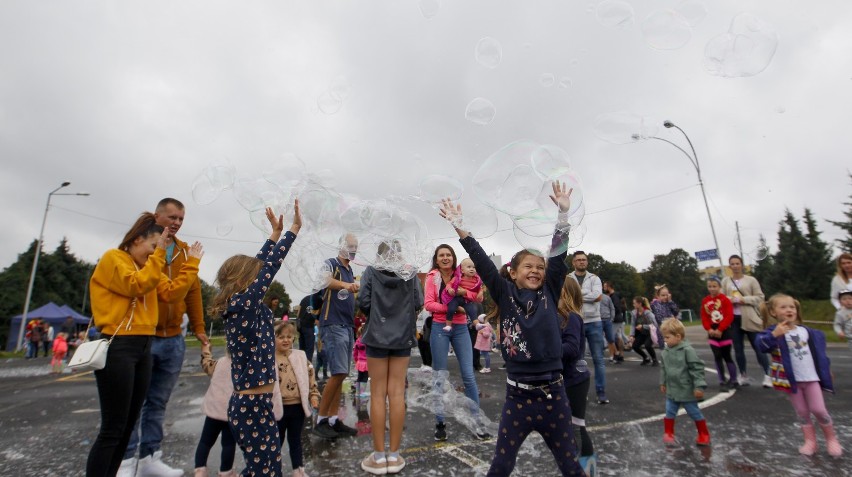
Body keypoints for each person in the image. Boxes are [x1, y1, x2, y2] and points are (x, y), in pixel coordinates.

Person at [440, 183, 586, 476]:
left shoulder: (551, 290)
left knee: (571, 466)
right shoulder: (504, 293)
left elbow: (558, 255)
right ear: (514, 272)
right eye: (528, 266)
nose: (535, 271)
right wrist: (460, 227)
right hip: (517, 399)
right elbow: (481, 261)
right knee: (501, 467)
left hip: (554, 397)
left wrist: (562, 214)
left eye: (539, 267)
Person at [87, 213, 203, 477]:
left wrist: (192, 264)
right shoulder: (114, 259)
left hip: (143, 346)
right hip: (119, 347)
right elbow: (136, 286)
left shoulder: (148, 267)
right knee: (112, 428)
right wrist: (161, 254)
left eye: (157, 248)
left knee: (127, 425)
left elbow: (172, 293)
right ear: (136, 239)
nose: (155, 252)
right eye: (152, 246)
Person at [208, 203, 301, 477]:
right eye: (254, 275)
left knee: (269, 467)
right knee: (266, 471)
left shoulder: (243, 303)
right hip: (251, 406)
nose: (260, 277)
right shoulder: (242, 304)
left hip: (257, 404)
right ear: (243, 281)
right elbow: (268, 267)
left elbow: (260, 264)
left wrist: (275, 233)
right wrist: (293, 230)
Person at [121, 198, 209, 477]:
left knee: (157, 402)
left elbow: (192, 291)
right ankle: (125, 461)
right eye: (172, 216)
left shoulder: (184, 251)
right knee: (133, 401)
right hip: (144, 335)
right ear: (157, 215)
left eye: (181, 218)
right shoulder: (142, 248)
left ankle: (149, 457)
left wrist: (199, 327)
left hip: (173, 338)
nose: (177, 222)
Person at [357, 240, 423, 475]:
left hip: (376, 335)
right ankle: (394, 456)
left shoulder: (371, 272)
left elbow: (363, 301)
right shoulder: (410, 272)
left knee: (377, 393)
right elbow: (418, 302)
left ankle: (378, 457)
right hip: (402, 337)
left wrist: (377, 314)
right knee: (396, 393)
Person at [756, 294, 843, 458]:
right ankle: (810, 441)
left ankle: (832, 439)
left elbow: (820, 354)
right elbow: (761, 346)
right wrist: (775, 334)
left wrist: (827, 369)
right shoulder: (771, 333)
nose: (789, 310)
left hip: (811, 379)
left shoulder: (807, 332)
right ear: (773, 312)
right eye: (783, 307)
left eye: (792, 307)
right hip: (792, 382)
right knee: (802, 412)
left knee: (819, 410)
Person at [424, 243, 486, 441]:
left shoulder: (464, 274)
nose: (445, 258)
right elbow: (428, 305)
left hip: (460, 329)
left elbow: (477, 298)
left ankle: (476, 420)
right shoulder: (432, 277)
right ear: (436, 258)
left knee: (469, 375)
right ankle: (440, 422)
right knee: (440, 376)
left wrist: (462, 296)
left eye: (448, 255)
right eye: (441, 255)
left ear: (453, 258)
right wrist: (451, 308)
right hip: (439, 327)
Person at [195, 342, 282, 477]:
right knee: (228, 444)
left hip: (214, 408)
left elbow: (207, 365)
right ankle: (225, 471)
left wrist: (206, 351)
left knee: (205, 441)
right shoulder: (249, 368)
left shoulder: (221, 362)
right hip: (233, 412)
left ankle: (200, 469)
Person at [313, 233, 360, 440]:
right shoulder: (331, 263)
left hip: (347, 325)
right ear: (341, 245)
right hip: (333, 324)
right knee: (338, 372)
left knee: (341, 373)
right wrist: (345, 286)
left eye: (355, 246)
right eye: (350, 245)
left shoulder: (350, 270)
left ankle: (333, 420)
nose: (353, 249)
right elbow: (323, 281)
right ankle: (321, 420)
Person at [559, 276, 596, 474]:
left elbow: (572, 348)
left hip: (575, 380)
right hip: (569, 378)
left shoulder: (571, 317)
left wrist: (547, 349)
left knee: (577, 427)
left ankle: (588, 470)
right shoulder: (560, 316)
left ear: (565, 293)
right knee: (568, 428)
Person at [274, 321, 320, 477]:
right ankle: (273, 470)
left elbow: (310, 376)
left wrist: (313, 395)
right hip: (276, 409)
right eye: (280, 337)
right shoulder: (268, 358)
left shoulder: (300, 357)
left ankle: (298, 470)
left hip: (297, 408)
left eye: (289, 336)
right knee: (275, 443)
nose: (286, 340)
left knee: (295, 441)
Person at [721, 254, 770, 388]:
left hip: (750, 317)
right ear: (729, 266)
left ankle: (767, 374)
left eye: (737, 263)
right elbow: (721, 297)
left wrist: (743, 300)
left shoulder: (751, 280)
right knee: (738, 349)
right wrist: (728, 300)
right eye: (732, 264)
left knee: (758, 347)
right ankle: (743, 374)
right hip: (734, 319)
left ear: (741, 265)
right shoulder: (726, 281)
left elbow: (760, 297)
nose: (735, 266)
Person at [658, 318, 709, 446]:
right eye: (664, 337)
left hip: (686, 390)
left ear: (678, 336)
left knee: (694, 412)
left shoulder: (688, 350)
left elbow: (696, 369)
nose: (665, 340)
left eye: (667, 337)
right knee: (669, 412)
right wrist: (663, 382)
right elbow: (664, 368)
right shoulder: (665, 352)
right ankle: (668, 433)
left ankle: (703, 434)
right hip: (672, 390)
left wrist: (699, 387)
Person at [569, 251, 608, 405]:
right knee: (578, 359)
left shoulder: (595, 278)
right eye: (578, 260)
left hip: (594, 321)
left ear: (587, 262)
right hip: (576, 321)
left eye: (584, 260)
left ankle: (601, 391)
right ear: (573, 262)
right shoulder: (568, 278)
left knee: (598, 359)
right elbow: (566, 295)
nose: (582, 262)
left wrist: (577, 294)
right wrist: (587, 294)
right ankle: (580, 392)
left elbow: (598, 296)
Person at [701, 276, 738, 391]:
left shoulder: (724, 299)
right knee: (717, 356)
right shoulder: (705, 301)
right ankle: (721, 380)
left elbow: (729, 316)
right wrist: (709, 329)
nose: (712, 289)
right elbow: (704, 317)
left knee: (727, 356)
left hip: (725, 331)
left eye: (714, 286)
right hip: (712, 331)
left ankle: (734, 379)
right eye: (710, 286)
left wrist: (721, 329)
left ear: (720, 287)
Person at [441, 258, 484, 332]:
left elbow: (479, 289)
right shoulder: (457, 278)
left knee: (472, 309)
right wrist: (449, 289)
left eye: (473, 267)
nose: (472, 269)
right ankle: (448, 325)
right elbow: (449, 284)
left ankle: (477, 324)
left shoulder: (476, 280)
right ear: (462, 270)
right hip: (456, 298)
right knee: (451, 308)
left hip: (467, 300)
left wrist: (480, 293)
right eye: (469, 267)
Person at [628, 297, 657, 366]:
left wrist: (643, 326)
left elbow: (655, 324)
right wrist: (631, 335)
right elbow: (632, 325)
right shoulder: (634, 313)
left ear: (640, 304)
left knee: (647, 345)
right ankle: (646, 358)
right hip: (642, 333)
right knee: (635, 346)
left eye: (634, 303)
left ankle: (654, 359)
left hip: (650, 333)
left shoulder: (648, 313)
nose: (633, 305)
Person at [650, 285, 679, 350]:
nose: (665, 297)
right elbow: (659, 317)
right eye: (663, 295)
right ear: (658, 296)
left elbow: (676, 312)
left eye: (667, 295)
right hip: (662, 332)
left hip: (671, 330)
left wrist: (670, 301)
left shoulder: (670, 303)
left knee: (673, 349)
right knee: (665, 351)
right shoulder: (655, 304)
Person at [603, 281, 626, 363]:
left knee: (610, 337)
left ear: (609, 287)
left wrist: (610, 315)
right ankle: (620, 355)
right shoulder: (614, 295)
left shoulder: (613, 296)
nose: (604, 288)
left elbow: (616, 308)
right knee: (618, 337)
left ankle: (613, 356)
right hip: (618, 319)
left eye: (605, 287)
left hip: (615, 319)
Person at [297, 295, 320, 363]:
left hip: (300, 325)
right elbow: (317, 313)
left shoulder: (304, 298)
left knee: (301, 348)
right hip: (309, 325)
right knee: (309, 349)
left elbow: (298, 311)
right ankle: (308, 366)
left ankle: (300, 365)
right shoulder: (317, 298)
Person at [598, 292, 616, 362]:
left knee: (610, 339)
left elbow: (612, 308)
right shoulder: (594, 296)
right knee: (599, 339)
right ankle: (600, 355)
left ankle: (611, 356)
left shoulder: (607, 297)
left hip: (607, 320)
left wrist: (612, 318)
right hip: (598, 320)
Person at [353, 327, 369, 398]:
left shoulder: (358, 341)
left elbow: (355, 353)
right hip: (366, 363)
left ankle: (358, 391)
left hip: (359, 362)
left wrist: (356, 360)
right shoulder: (367, 341)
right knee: (365, 378)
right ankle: (362, 392)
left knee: (359, 377)